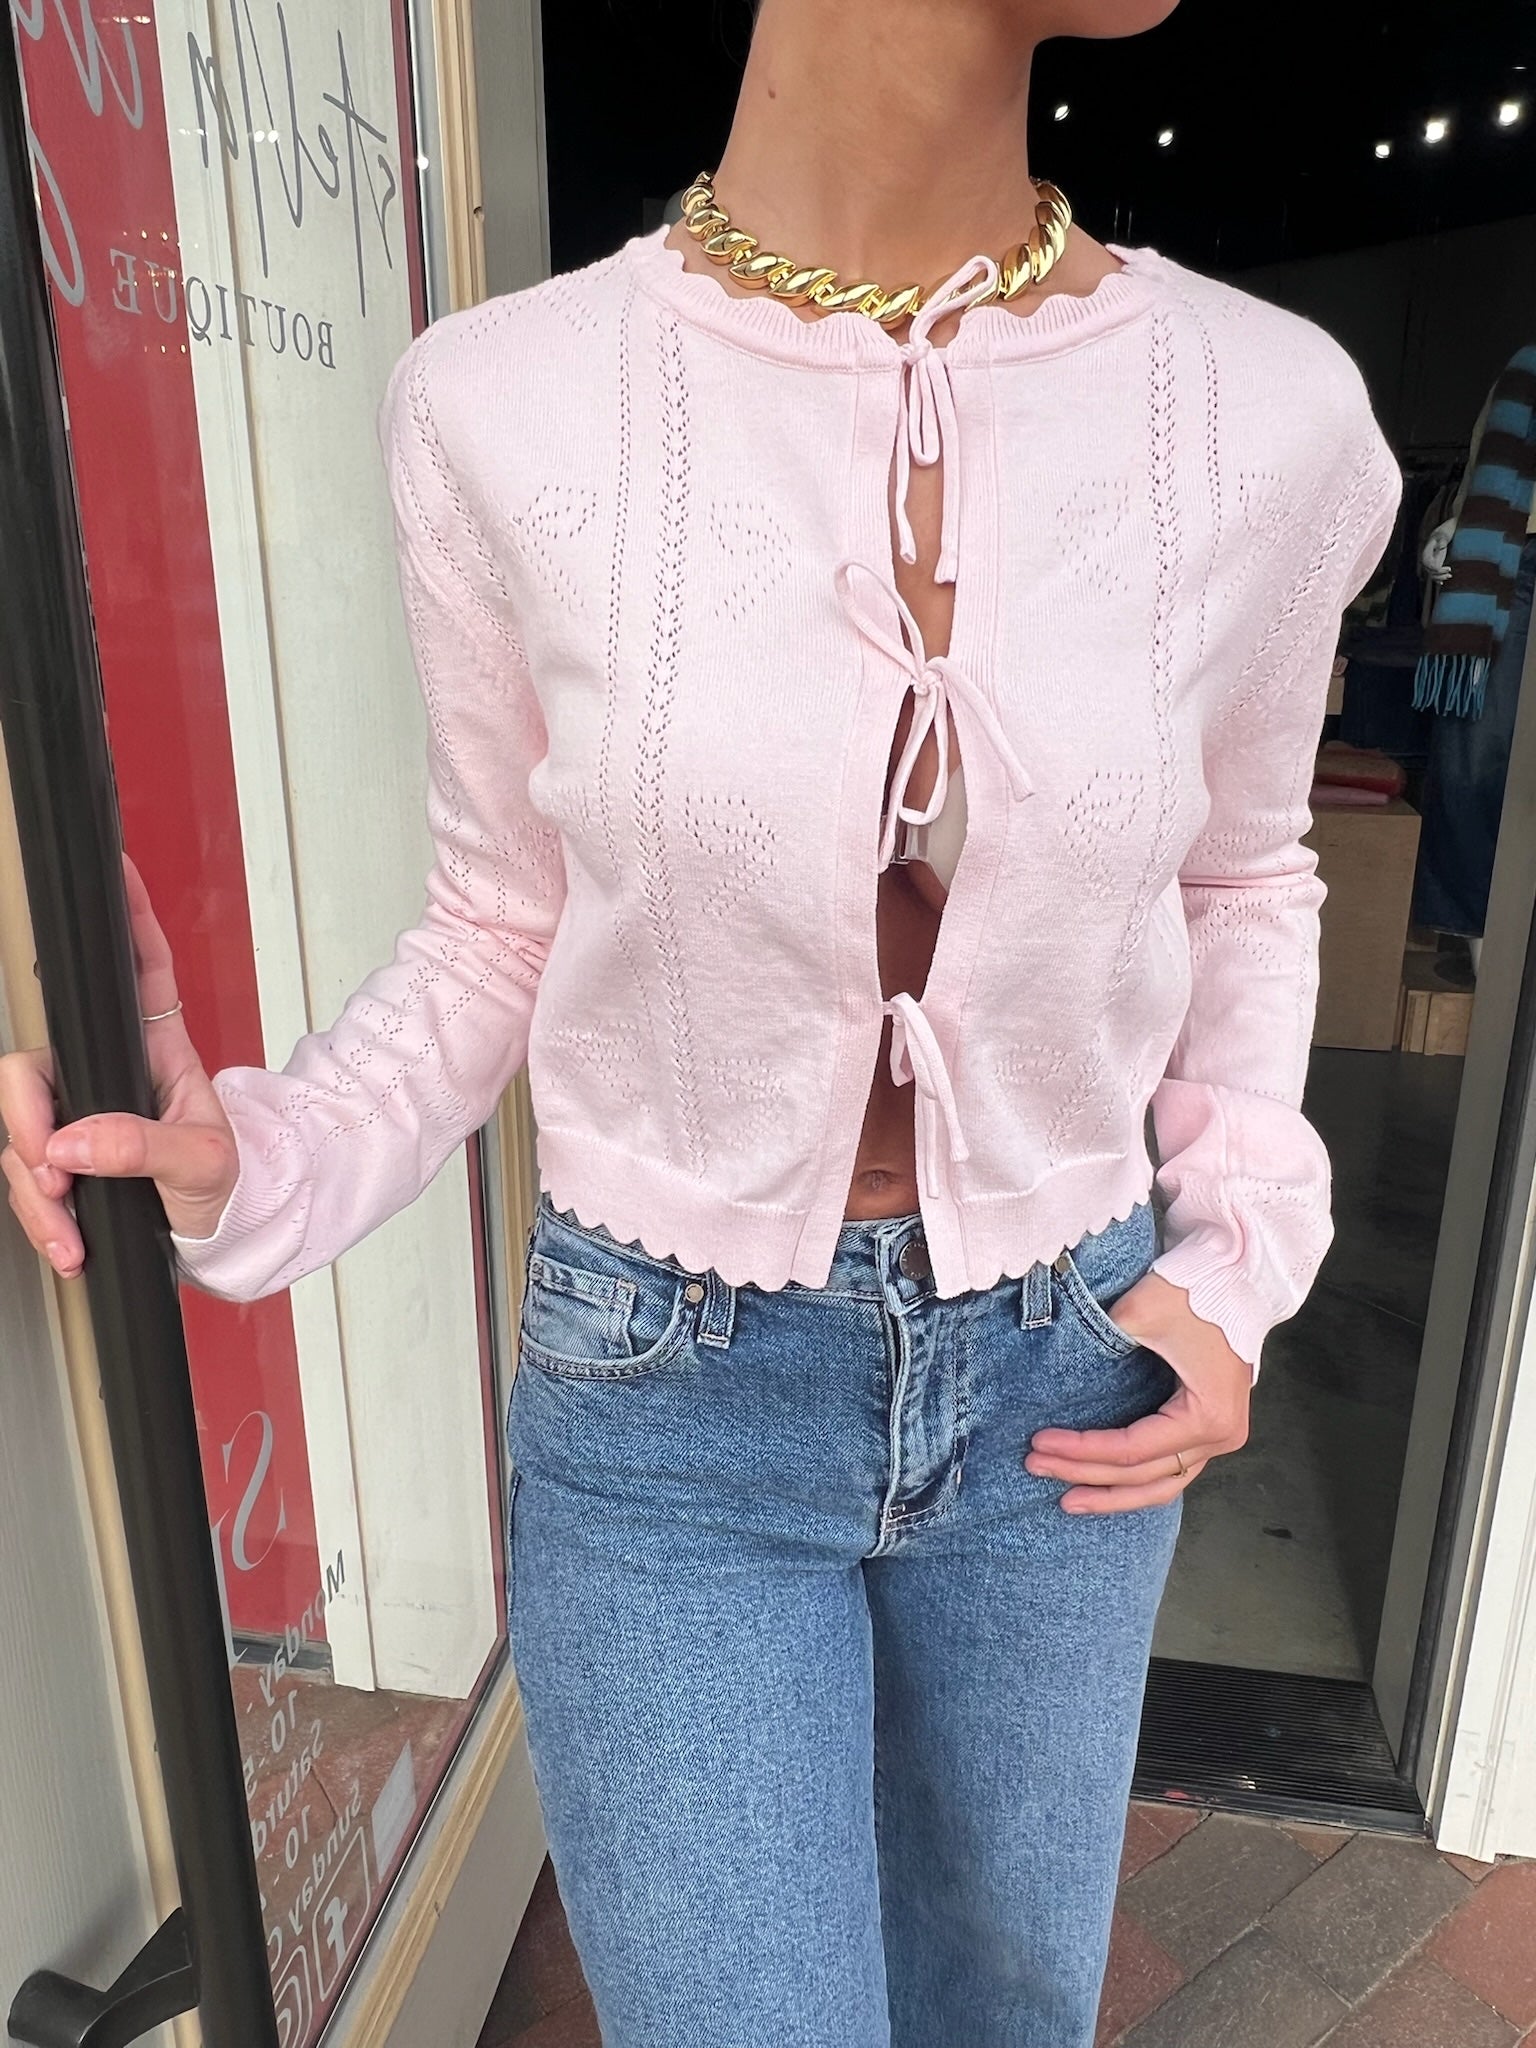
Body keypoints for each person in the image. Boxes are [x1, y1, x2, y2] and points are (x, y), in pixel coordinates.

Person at [1, 0, 1403, 2040]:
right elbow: (496, 922)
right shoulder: (503, 406)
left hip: (1069, 1378)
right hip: (668, 1400)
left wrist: (1238, 1258)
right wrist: (262, 1153)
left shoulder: (1269, 414)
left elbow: (1246, 878)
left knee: (1009, 2009)